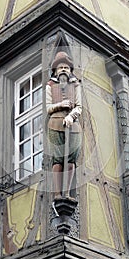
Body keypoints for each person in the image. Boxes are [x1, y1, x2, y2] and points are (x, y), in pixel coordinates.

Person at [46, 51, 82, 199]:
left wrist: (71, 116)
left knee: (71, 159)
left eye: (66, 68)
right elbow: (48, 108)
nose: (63, 70)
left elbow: (79, 106)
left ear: (70, 71)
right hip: (55, 123)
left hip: (73, 125)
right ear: (55, 70)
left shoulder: (75, 85)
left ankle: (66, 193)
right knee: (58, 158)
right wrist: (60, 105)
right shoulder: (50, 86)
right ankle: (57, 194)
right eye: (60, 67)